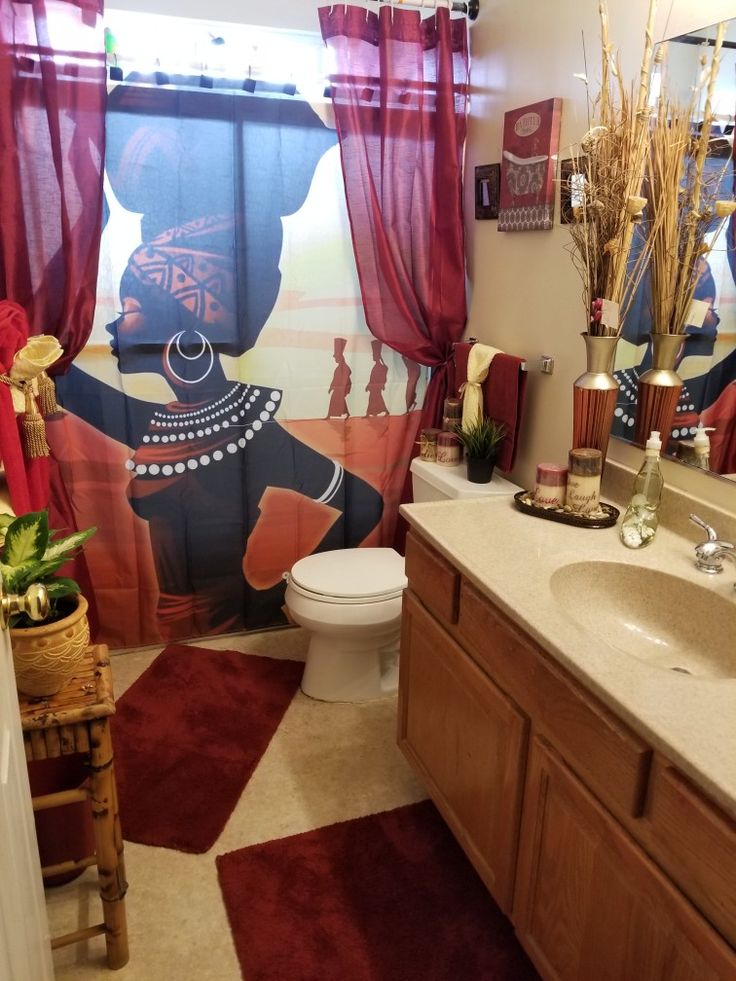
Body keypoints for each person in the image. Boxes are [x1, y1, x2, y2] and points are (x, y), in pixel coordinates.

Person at [57, 82, 383, 637]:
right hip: (170, 635)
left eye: (130, 307)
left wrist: (285, 590)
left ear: (184, 333)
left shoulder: (253, 431)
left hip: (235, 631)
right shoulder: (162, 423)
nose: (113, 324)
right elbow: (65, 381)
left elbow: (365, 502)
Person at [327, 337, 351, 419]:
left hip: (342, 387)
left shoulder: (344, 366)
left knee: (336, 399)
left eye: (336, 357)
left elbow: (348, 373)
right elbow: (335, 378)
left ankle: (330, 415)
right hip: (338, 387)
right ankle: (346, 413)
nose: (335, 359)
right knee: (338, 400)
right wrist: (331, 387)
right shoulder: (339, 367)